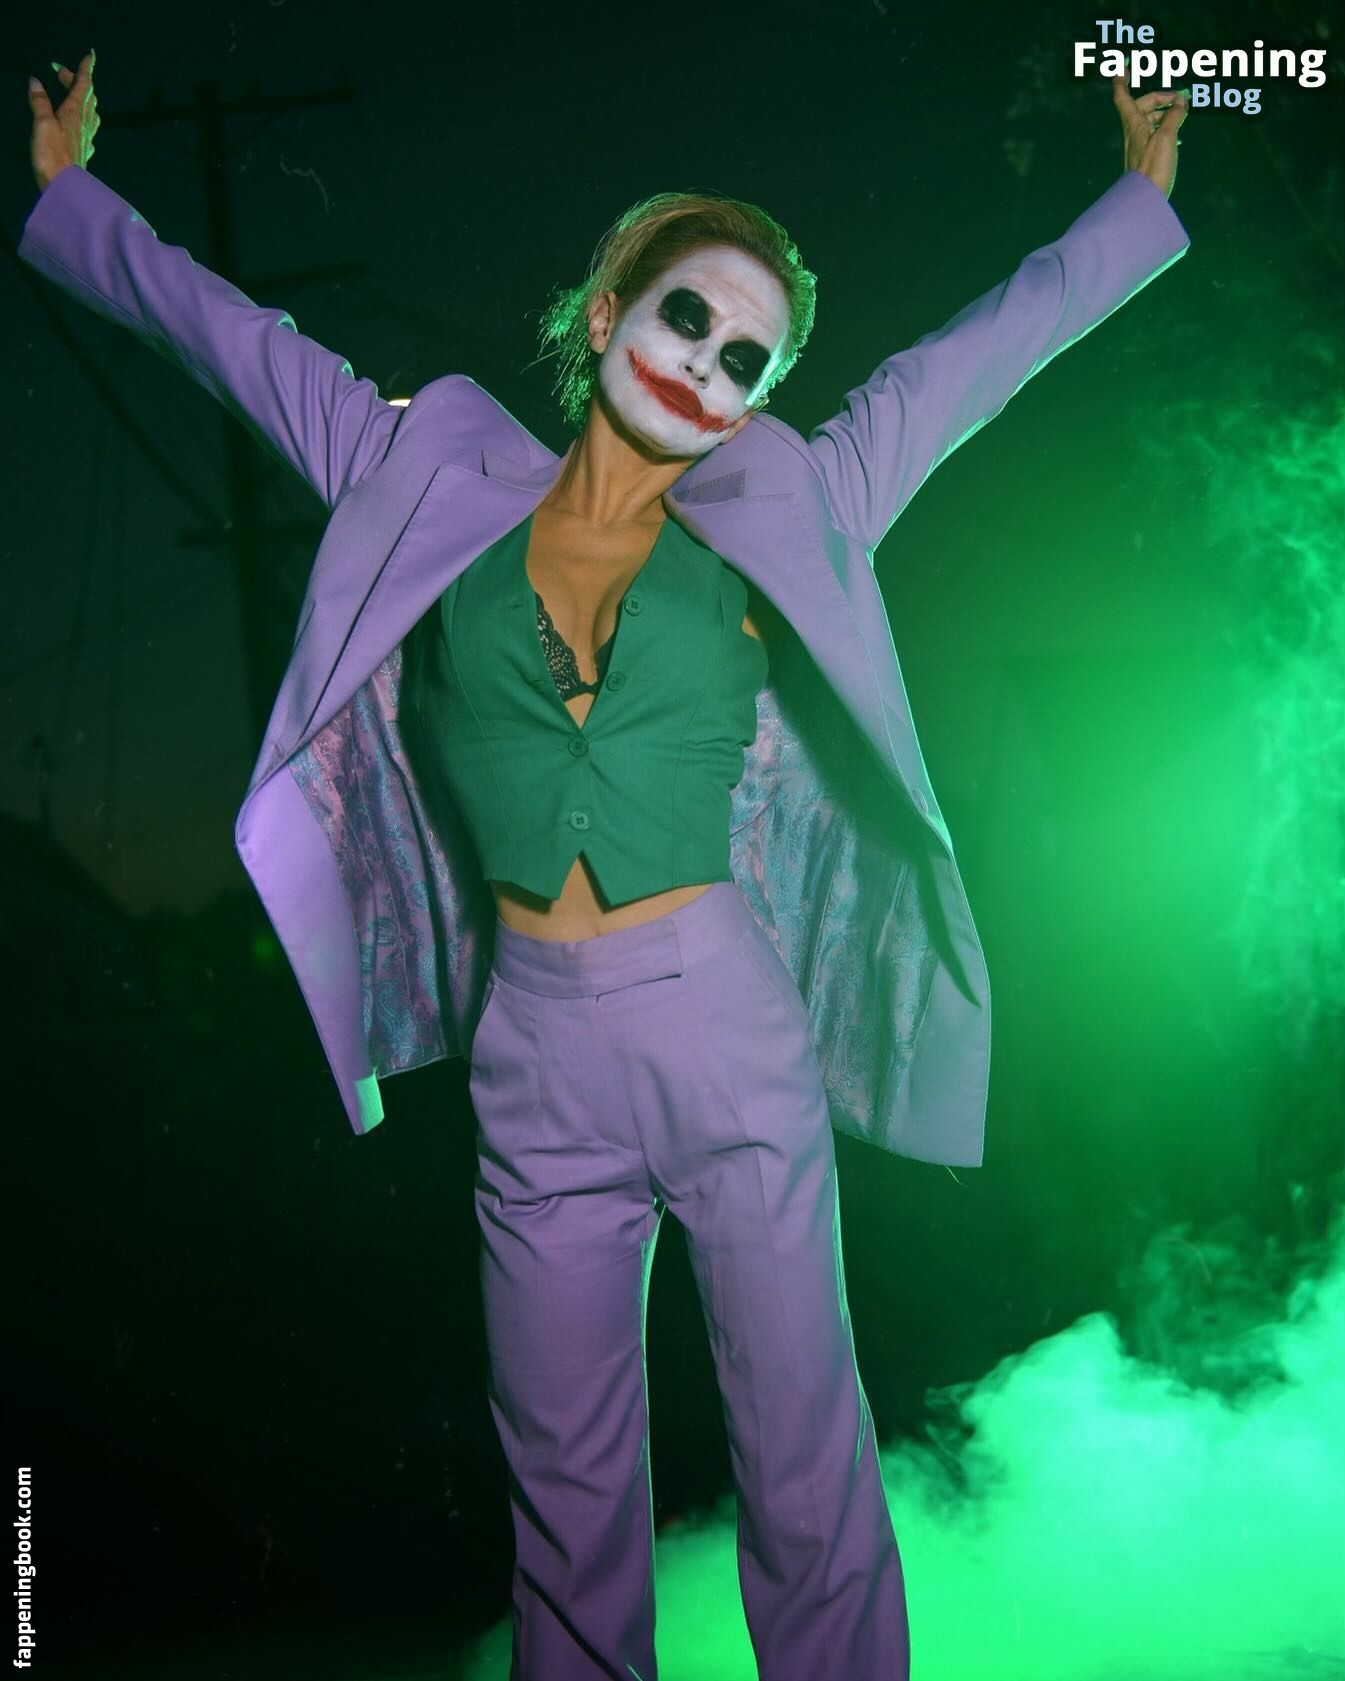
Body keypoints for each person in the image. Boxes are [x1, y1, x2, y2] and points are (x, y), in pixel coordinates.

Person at [24, 52, 1190, 1681]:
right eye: (686, 319)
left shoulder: (785, 502)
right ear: (602, 314)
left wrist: (1133, 202)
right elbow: (233, 340)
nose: (708, 366)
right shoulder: (421, 472)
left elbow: (963, 366)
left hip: (725, 1030)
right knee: (564, 1498)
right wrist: (70, 198)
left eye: (745, 359)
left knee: (802, 1459)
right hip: (532, 1056)